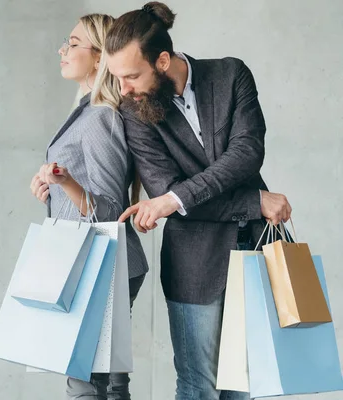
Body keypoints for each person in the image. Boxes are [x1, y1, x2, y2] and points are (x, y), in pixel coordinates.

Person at [101, 3, 292, 400]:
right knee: (197, 385)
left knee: (247, 383)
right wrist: (254, 201)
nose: (125, 89)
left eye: (132, 76)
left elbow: (245, 154)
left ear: (163, 60)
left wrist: (175, 198)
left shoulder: (230, 74)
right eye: (118, 78)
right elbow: (165, 189)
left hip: (259, 249)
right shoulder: (133, 112)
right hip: (194, 263)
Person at [29, 13, 148, 400]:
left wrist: (66, 181)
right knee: (108, 382)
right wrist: (53, 187)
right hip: (100, 263)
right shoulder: (86, 111)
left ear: (99, 59)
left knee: (84, 381)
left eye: (73, 43)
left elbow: (111, 209)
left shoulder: (100, 117)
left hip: (99, 265)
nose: (62, 50)